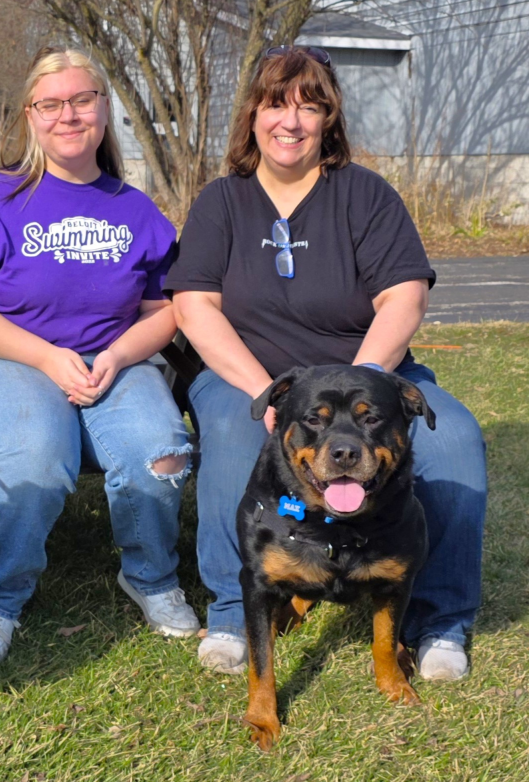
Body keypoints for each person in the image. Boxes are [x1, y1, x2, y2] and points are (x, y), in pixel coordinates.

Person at [167, 46, 485, 681]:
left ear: (329, 120)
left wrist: (361, 389)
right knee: (233, 431)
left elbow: (404, 296)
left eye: (309, 107)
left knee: (455, 441)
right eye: (275, 104)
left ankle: (440, 621)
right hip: (250, 376)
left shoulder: (365, 196)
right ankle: (232, 610)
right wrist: (268, 393)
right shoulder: (221, 201)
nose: (291, 121)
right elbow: (194, 306)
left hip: (372, 374)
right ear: (252, 115)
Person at [0, 47, 199, 665]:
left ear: (104, 109)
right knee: (37, 454)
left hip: (112, 366)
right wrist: (48, 358)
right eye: (50, 104)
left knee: (161, 452)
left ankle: (151, 578)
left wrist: (118, 355)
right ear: (30, 115)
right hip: (6, 365)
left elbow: (166, 309)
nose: (68, 115)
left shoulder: (134, 209)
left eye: (82, 100)